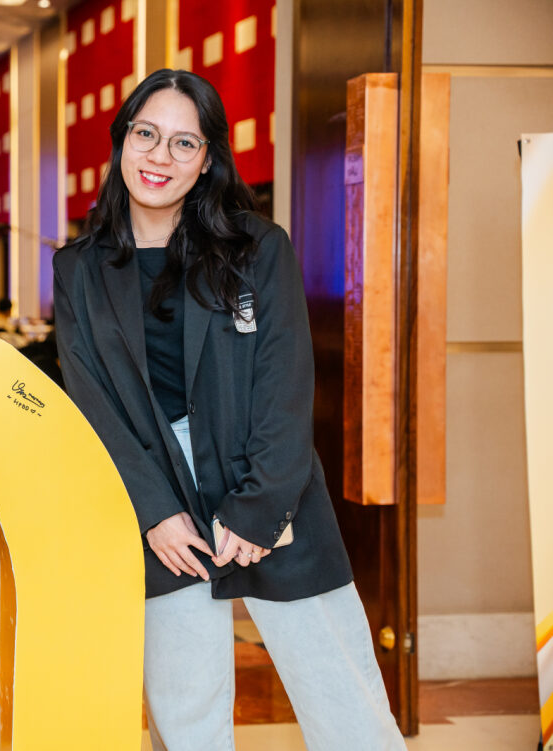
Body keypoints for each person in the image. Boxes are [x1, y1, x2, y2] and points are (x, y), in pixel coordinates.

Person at [52, 69, 405, 751]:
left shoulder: (255, 248)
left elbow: (284, 382)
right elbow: (91, 400)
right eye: (146, 134)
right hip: (156, 488)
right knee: (185, 700)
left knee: (339, 683)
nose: (159, 157)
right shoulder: (79, 268)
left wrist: (259, 504)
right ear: (122, 138)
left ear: (208, 158)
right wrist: (152, 510)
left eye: (184, 143)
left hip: (266, 478)